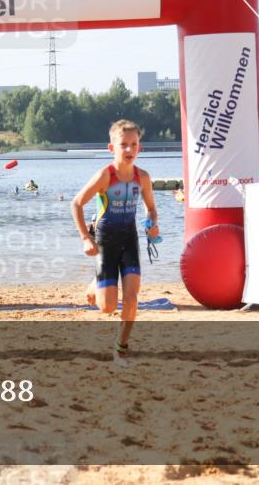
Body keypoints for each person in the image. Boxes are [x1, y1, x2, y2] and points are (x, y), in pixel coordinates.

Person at [71, 120, 159, 364]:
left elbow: (151, 208)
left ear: (140, 147)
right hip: (105, 243)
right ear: (112, 148)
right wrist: (85, 238)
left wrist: (153, 224)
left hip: (130, 241)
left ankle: (121, 348)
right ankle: (94, 285)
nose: (129, 150)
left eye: (134, 145)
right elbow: (76, 204)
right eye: (124, 145)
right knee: (108, 307)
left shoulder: (143, 177)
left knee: (131, 299)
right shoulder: (104, 176)